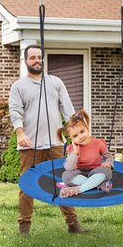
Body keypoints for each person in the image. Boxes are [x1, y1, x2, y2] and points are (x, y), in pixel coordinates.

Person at [9, 44, 86, 236]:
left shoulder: (55, 82)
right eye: (32, 57)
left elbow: (68, 111)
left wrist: (77, 135)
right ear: (25, 61)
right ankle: (24, 226)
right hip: (30, 146)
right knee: (27, 186)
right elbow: (15, 113)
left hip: (55, 144)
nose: (36, 60)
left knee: (64, 183)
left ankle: (73, 224)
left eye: (39, 57)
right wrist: (20, 134)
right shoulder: (18, 87)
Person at [57, 109, 113, 198]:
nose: (80, 137)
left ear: (87, 128)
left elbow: (108, 156)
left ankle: (76, 190)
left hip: (95, 171)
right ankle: (97, 184)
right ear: (71, 138)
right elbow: (69, 168)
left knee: (107, 171)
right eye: (75, 136)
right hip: (79, 173)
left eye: (82, 132)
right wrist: (75, 152)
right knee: (66, 176)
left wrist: (109, 163)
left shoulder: (98, 143)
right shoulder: (72, 148)